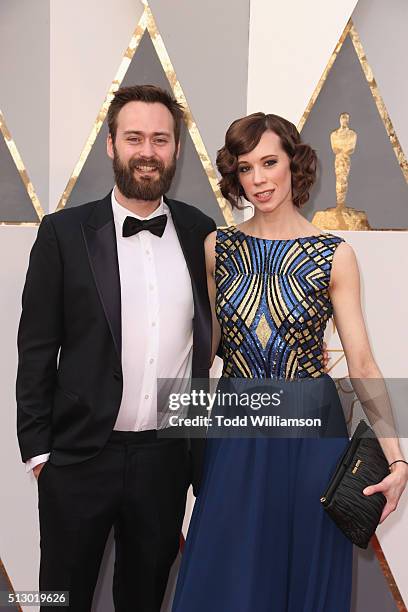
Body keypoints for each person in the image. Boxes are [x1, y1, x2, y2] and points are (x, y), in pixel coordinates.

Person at [172, 113, 408, 612]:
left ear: (293, 164)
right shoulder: (219, 247)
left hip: (311, 430)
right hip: (238, 422)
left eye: (269, 162)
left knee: (306, 569)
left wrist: (397, 456)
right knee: (226, 569)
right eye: (244, 168)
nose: (258, 179)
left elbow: (361, 361)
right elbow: (206, 344)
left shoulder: (334, 254)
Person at [16, 84, 216, 612]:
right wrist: (40, 454)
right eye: (134, 138)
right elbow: (36, 349)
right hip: (78, 459)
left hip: (166, 460)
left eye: (160, 139)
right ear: (111, 145)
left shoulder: (202, 233)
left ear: (176, 148)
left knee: (145, 599)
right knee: (58, 597)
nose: (147, 151)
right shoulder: (62, 234)